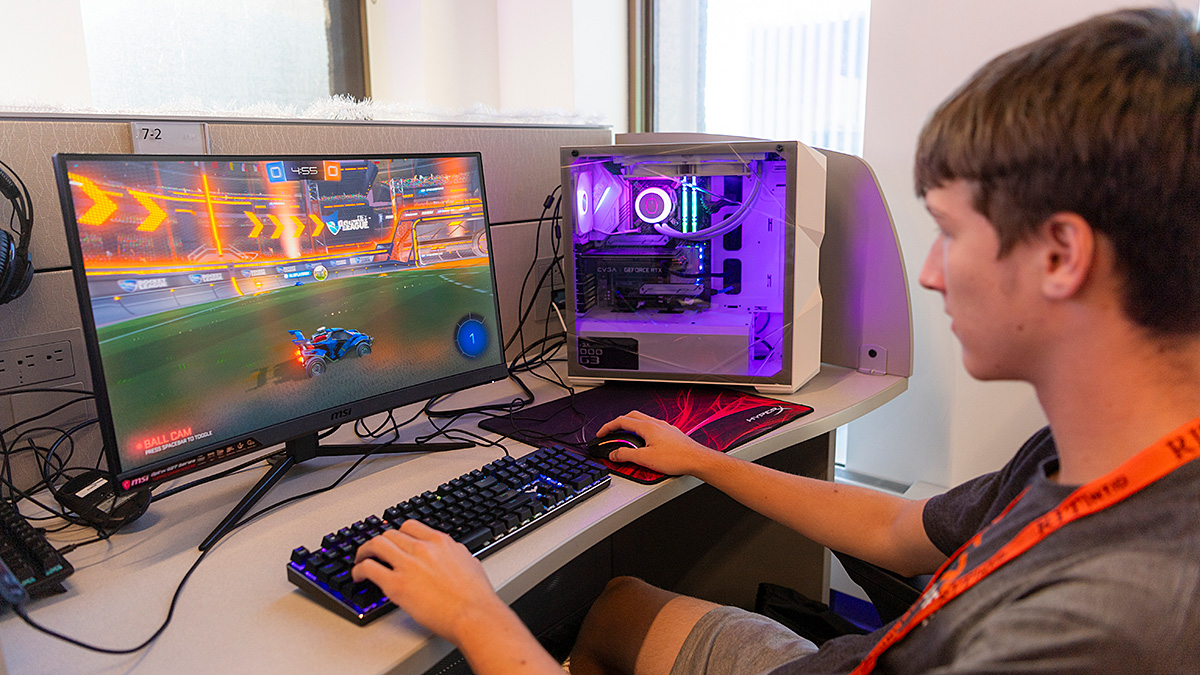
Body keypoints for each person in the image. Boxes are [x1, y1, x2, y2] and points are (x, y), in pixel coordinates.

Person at [351, 7, 1200, 674]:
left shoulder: (1106, 623)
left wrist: (473, 612)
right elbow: (908, 529)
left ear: (1060, 253)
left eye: (950, 232)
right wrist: (707, 460)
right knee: (614, 605)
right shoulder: (1094, 452)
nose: (933, 272)